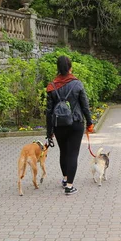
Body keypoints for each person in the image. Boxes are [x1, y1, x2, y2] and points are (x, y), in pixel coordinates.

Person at [46, 56, 93, 195]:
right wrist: (89, 123)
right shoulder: (77, 84)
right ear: (70, 68)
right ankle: (69, 186)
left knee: (64, 152)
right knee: (73, 154)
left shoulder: (52, 86)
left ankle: (65, 179)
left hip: (58, 125)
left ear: (58, 68)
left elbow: (48, 112)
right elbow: (85, 106)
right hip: (76, 123)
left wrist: (49, 132)